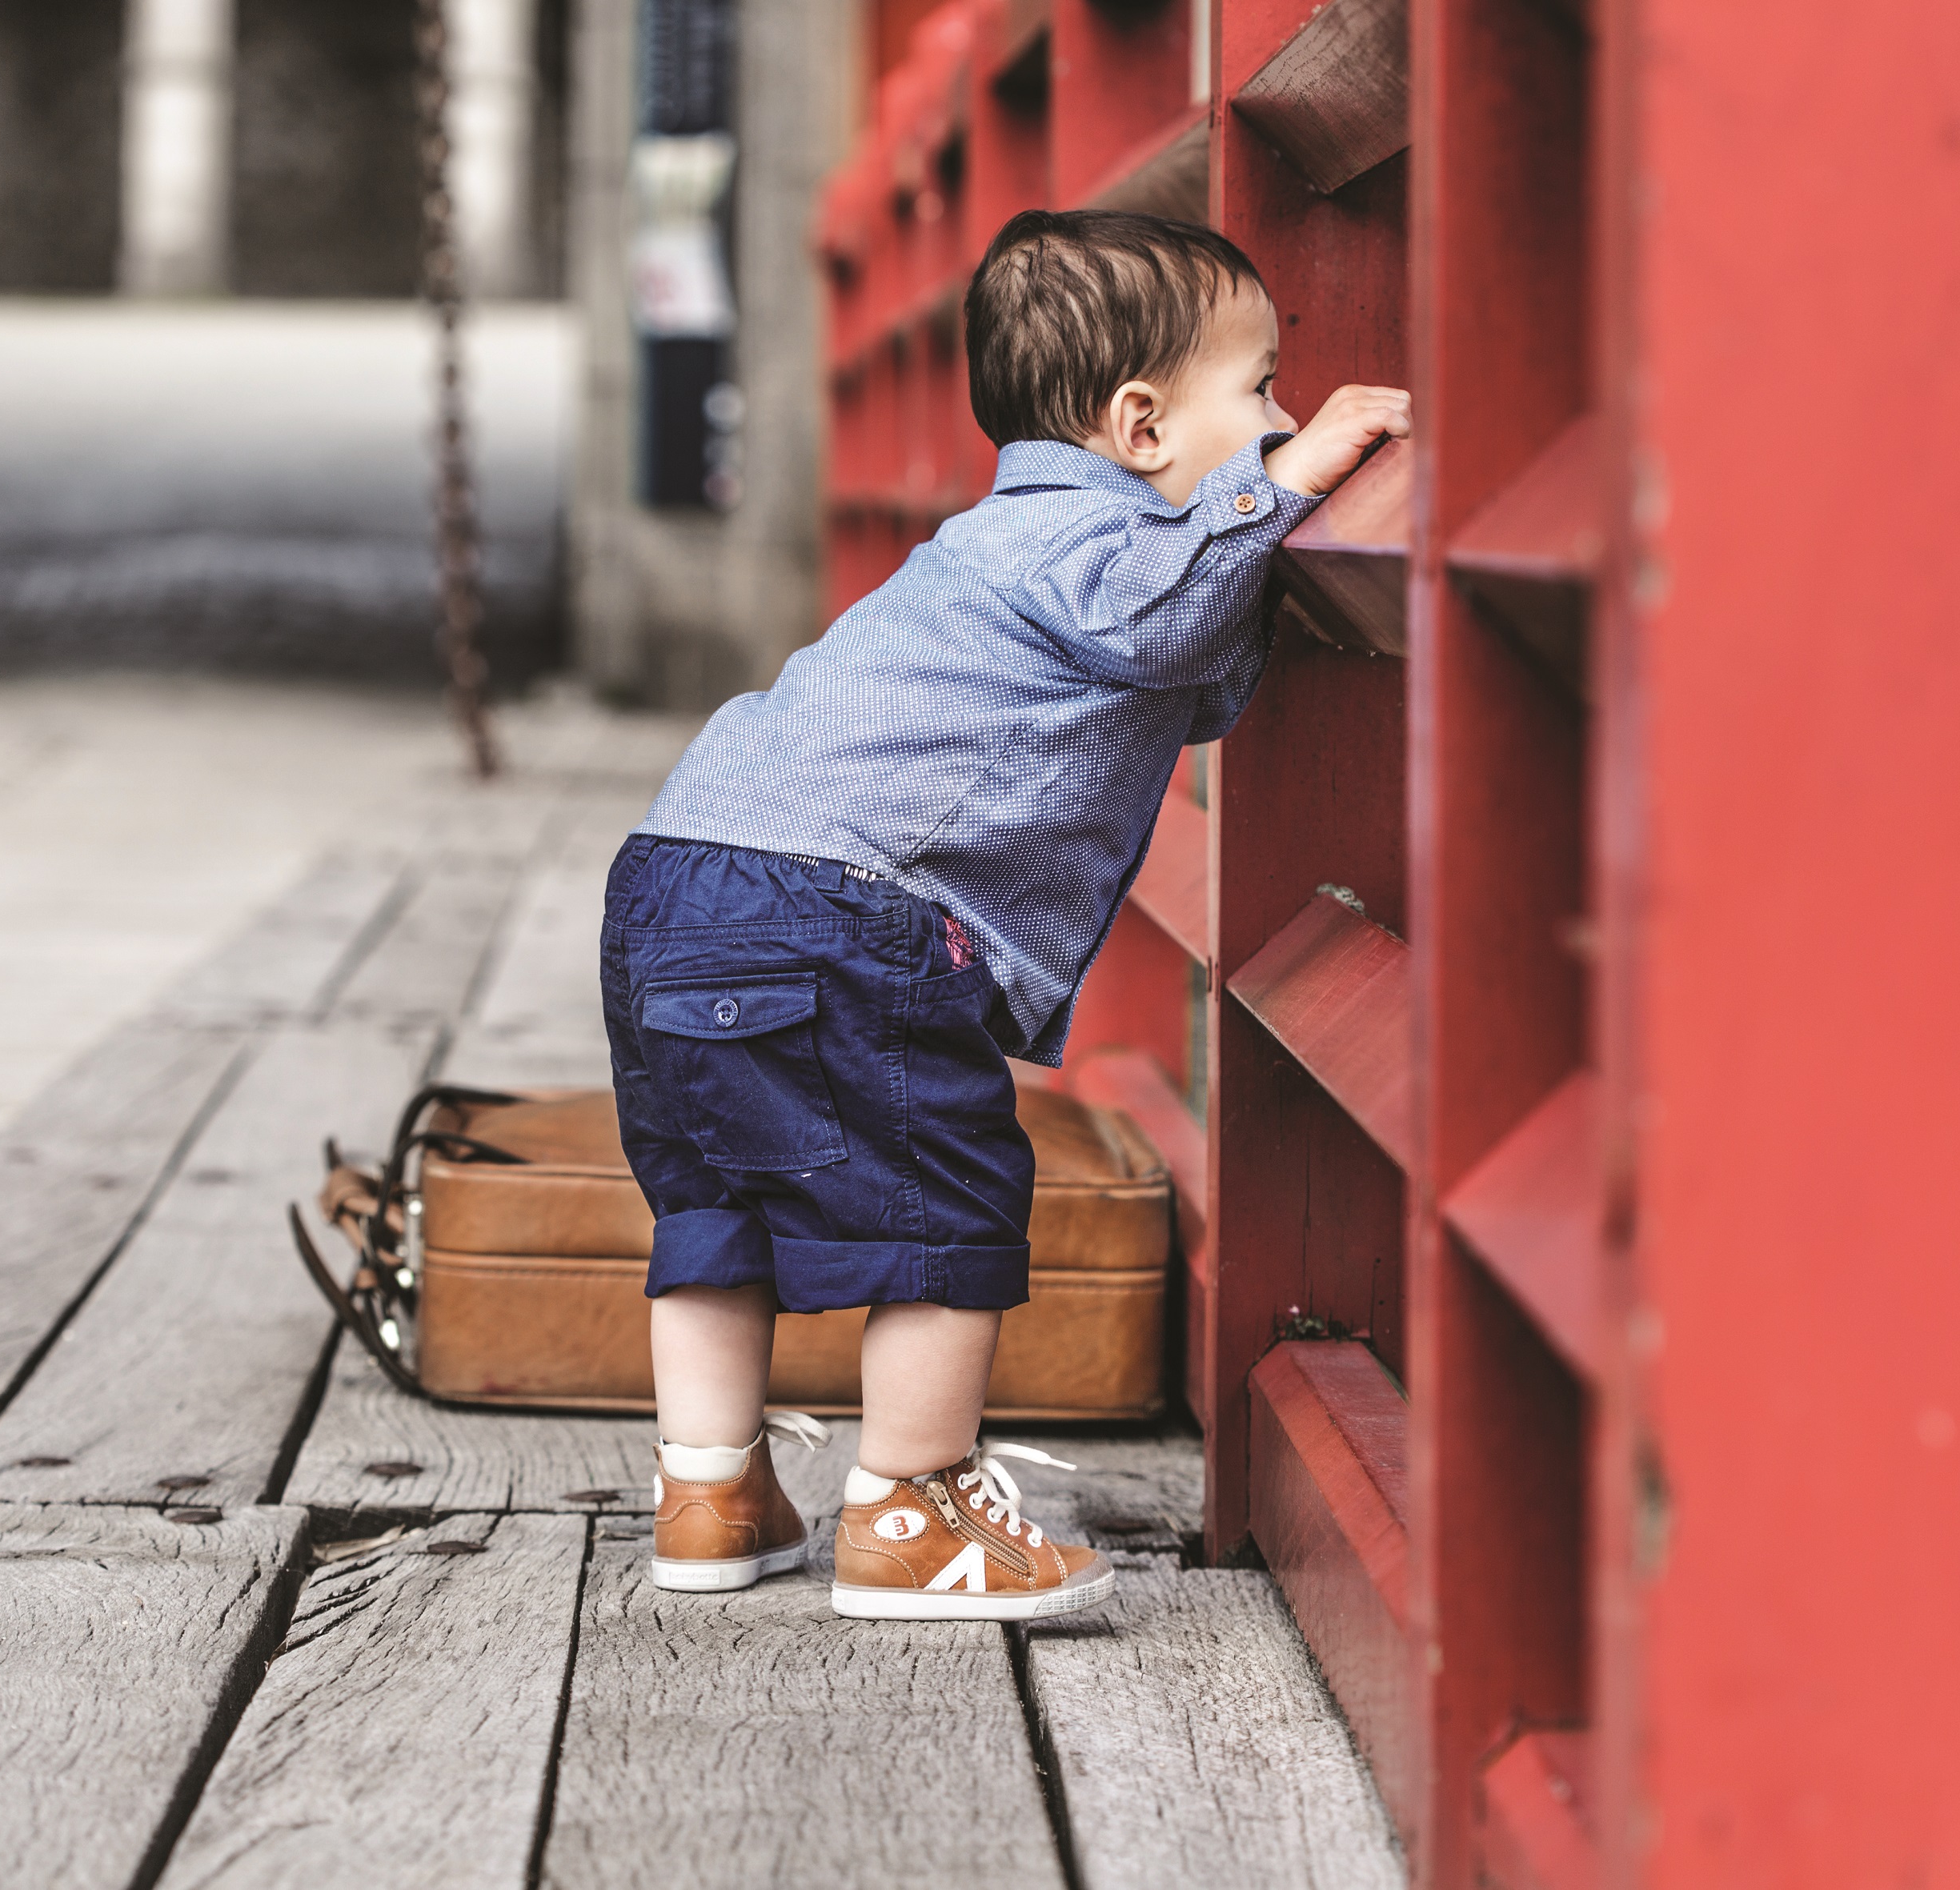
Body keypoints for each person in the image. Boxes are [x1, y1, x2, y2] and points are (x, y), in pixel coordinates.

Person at [599, 206, 1411, 1619]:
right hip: (846, 903)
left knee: (719, 1194)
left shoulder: (989, 547)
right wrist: (1287, 481)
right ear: (1143, 424)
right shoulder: (1082, 538)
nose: (1281, 414)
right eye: (1262, 390)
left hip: (681, 870)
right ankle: (910, 1508)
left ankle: (710, 1489)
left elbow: (1189, 673)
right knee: (944, 1193)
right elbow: (1162, 625)